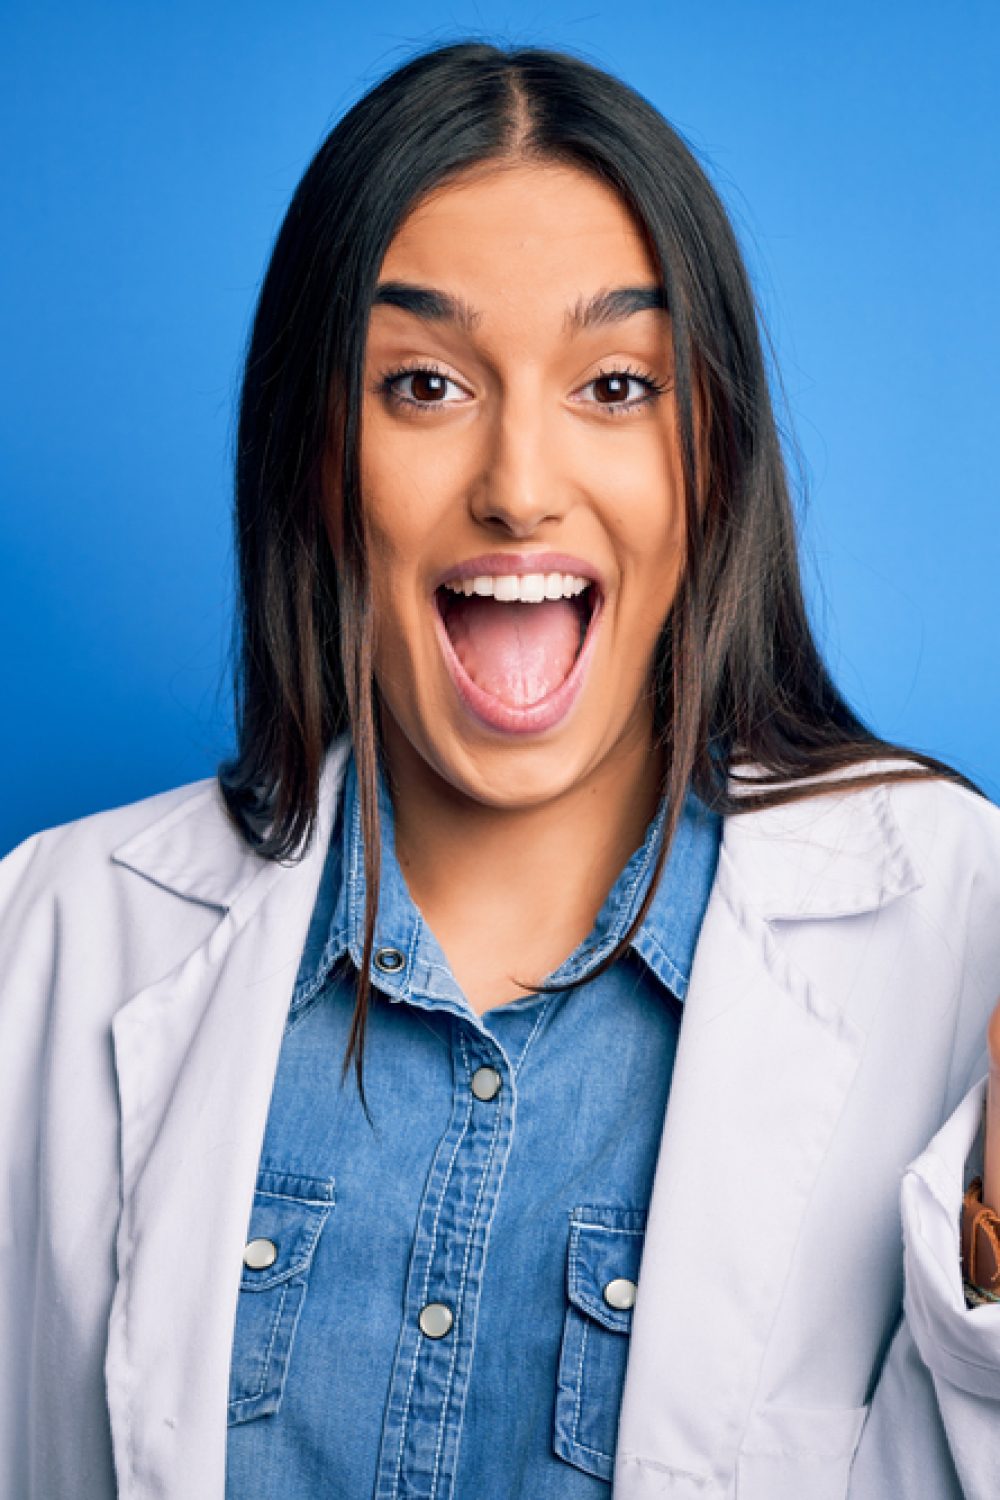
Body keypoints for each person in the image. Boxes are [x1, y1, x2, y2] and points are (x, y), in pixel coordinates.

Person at [1, 37, 999, 1500]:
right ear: (315, 457)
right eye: (422, 385)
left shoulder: (962, 935)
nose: (520, 483)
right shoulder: (51, 938)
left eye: (613, 382)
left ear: (711, 457)